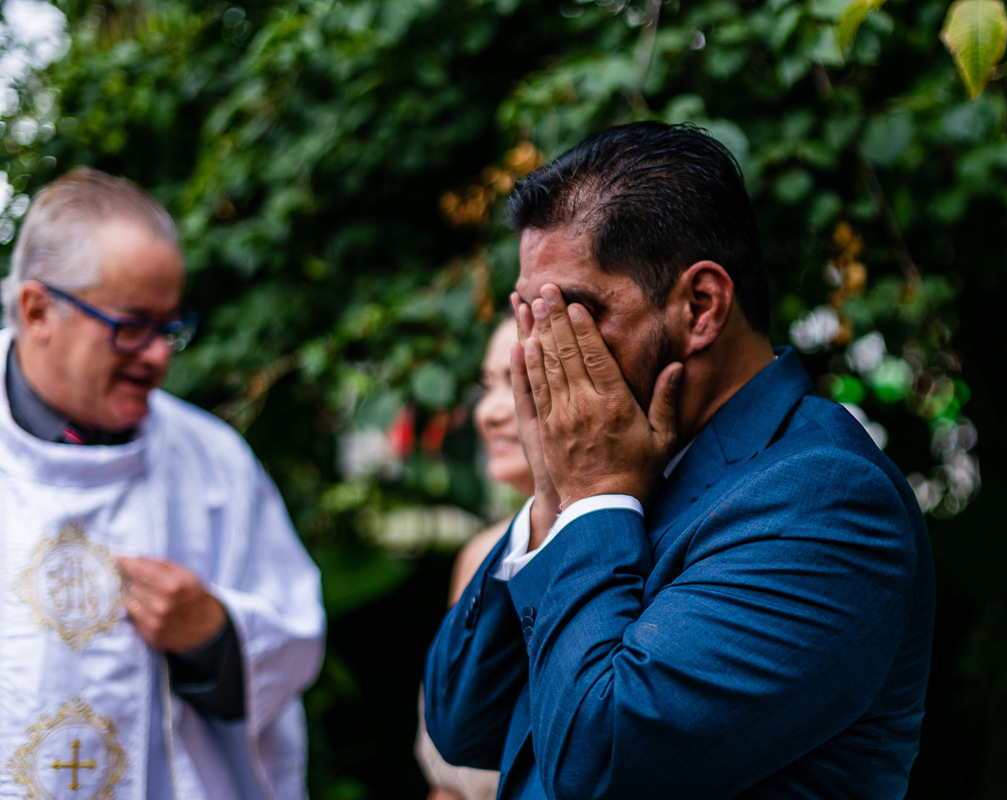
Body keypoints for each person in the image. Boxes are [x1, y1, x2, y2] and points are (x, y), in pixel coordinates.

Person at [424, 121, 935, 799]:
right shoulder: (616, 470)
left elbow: (601, 767)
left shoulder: (827, 499)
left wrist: (594, 497)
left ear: (700, 307)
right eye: (527, 315)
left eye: (569, 314)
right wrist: (552, 504)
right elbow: (462, 727)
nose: (536, 352)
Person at [0, 167, 325, 799]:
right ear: (38, 311)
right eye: (131, 327)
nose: (157, 356)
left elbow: (293, 644)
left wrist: (214, 636)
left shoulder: (213, 462)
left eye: (169, 329)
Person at [416, 316, 531, 800]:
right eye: (487, 386)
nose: (488, 412)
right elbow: (448, 781)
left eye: (519, 382)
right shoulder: (481, 556)